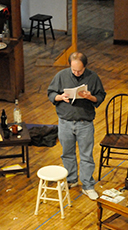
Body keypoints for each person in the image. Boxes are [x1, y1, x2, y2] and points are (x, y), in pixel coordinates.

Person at [47, 52, 106, 200]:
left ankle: (88, 185)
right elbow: (51, 93)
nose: (76, 73)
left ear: (85, 67)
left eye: (79, 70)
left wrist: (89, 97)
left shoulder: (93, 77)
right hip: (65, 122)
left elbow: (100, 96)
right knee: (67, 153)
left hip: (84, 123)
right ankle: (71, 180)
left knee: (86, 156)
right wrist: (60, 97)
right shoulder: (61, 75)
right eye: (74, 70)